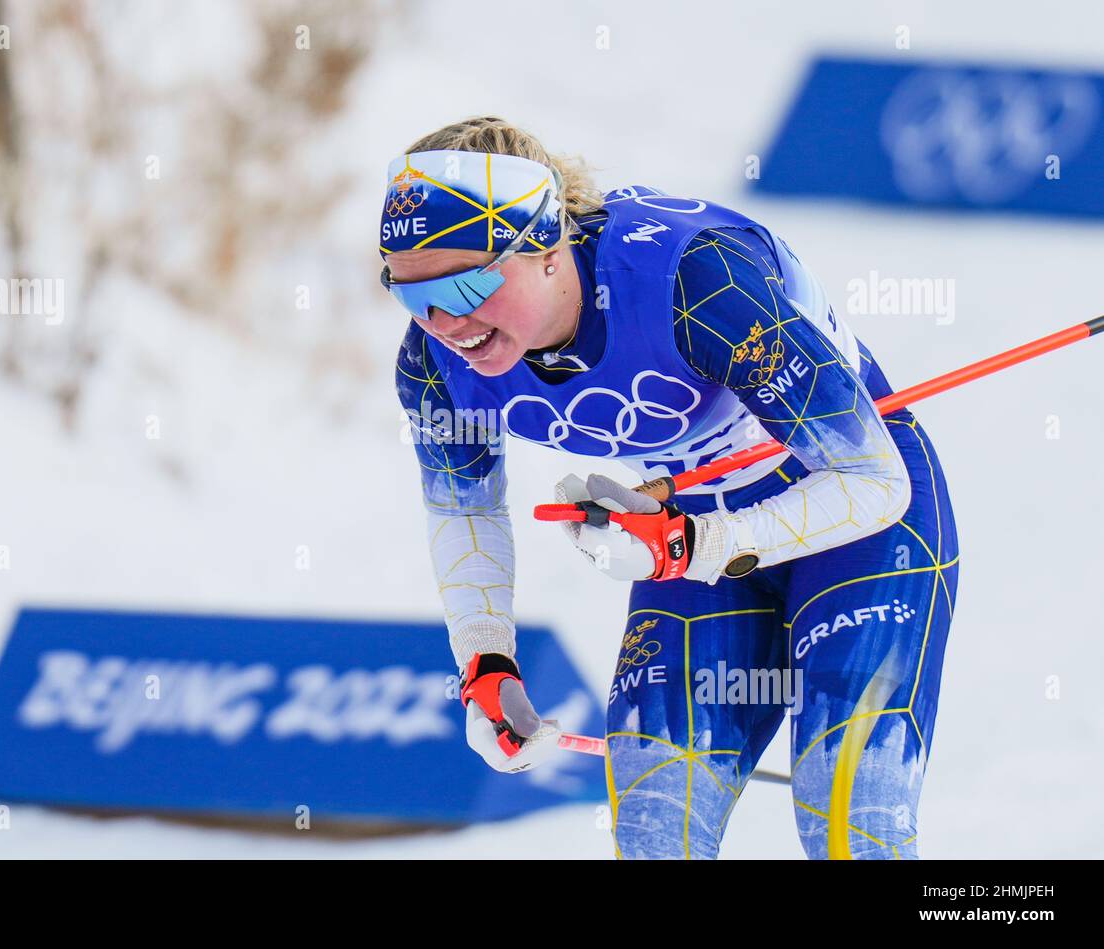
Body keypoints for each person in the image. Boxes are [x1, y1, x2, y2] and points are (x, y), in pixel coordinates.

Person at [383, 116, 959, 860]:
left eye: (467, 284)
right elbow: (466, 512)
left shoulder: (693, 280)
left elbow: (876, 481)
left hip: (854, 522)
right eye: (411, 293)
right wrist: (486, 660)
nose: (444, 320)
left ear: (547, 245)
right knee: (656, 833)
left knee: (850, 825)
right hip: (696, 536)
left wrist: (695, 540)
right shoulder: (435, 366)